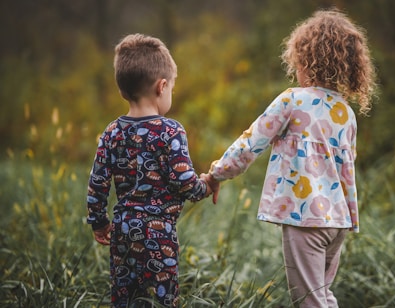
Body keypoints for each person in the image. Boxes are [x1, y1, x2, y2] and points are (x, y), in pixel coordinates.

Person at [204, 9, 376, 307]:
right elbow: (347, 170)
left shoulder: (293, 100)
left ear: (306, 60)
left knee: (309, 302)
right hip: (337, 222)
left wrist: (216, 174)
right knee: (322, 296)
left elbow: (250, 143)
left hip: (305, 218)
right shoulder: (345, 113)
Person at [86, 33, 213, 308]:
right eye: (172, 89)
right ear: (162, 86)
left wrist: (99, 221)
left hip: (122, 230)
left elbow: (97, 183)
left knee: (125, 297)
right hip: (158, 233)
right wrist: (208, 185)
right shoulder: (171, 131)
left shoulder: (111, 132)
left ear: (123, 90)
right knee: (162, 297)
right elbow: (186, 183)